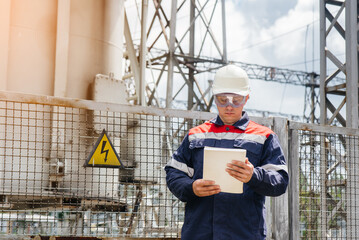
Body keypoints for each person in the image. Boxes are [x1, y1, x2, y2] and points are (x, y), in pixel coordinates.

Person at [164, 64, 289, 240]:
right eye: (223, 100)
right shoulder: (195, 135)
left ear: (246, 98)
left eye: (236, 100)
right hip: (200, 233)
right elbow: (173, 173)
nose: (229, 106)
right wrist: (191, 187)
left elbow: (280, 181)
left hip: (243, 234)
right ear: (214, 98)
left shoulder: (264, 136)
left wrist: (254, 176)